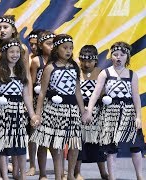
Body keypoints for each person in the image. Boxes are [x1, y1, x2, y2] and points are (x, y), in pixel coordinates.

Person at [85, 42, 145, 180]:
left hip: (129, 113)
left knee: (136, 147)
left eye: (122, 55)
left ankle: (140, 176)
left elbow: (136, 97)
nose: (118, 57)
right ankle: (112, 177)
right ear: (111, 56)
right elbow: (95, 93)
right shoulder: (105, 73)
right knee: (111, 149)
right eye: (115, 54)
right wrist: (89, 110)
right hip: (110, 114)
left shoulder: (132, 75)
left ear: (127, 57)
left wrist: (138, 117)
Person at [30, 34, 85, 180]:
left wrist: (83, 111)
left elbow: (77, 90)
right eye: (65, 48)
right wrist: (37, 113)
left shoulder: (74, 66)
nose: (68, 51)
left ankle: (71, 174)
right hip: (53, 110)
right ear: (57, 49)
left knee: (74, 143)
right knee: (56, 145)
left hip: (72, 110)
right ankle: (58, 175)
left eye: (71, 48)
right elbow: (42, 92)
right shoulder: (50, 67)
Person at [0, 38, 39, 180]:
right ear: (4, 53)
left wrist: (32, 114)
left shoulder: (22, 71)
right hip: (1, 112)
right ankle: (4, 176)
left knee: (20, 145)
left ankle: (21, 174)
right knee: (2, 146)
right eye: (11, 52)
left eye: (17, 52)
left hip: (18, 112)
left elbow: (27, 96)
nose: (15, 55)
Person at [74, 45, 108, 180]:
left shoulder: (102, 73)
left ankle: (103, 172)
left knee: (99, 143)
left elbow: (105, 93)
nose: (86, 64)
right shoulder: (75, 72)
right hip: (78, 111)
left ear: (95, 61)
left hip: (97, 112)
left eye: (89, 61)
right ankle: (76, 172)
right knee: (78, 143)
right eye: (83, 60)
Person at [28, 30, 55, 178]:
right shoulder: (37, 61)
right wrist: (31, 108)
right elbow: (31, 84)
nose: (52, 47)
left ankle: (58, 167)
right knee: (34, 135)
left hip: (54, 103)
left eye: (53, 44)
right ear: (41, 45)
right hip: (38, 101)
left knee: (55, 137)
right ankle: (32, 165)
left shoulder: (59, 61)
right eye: (48, 44)